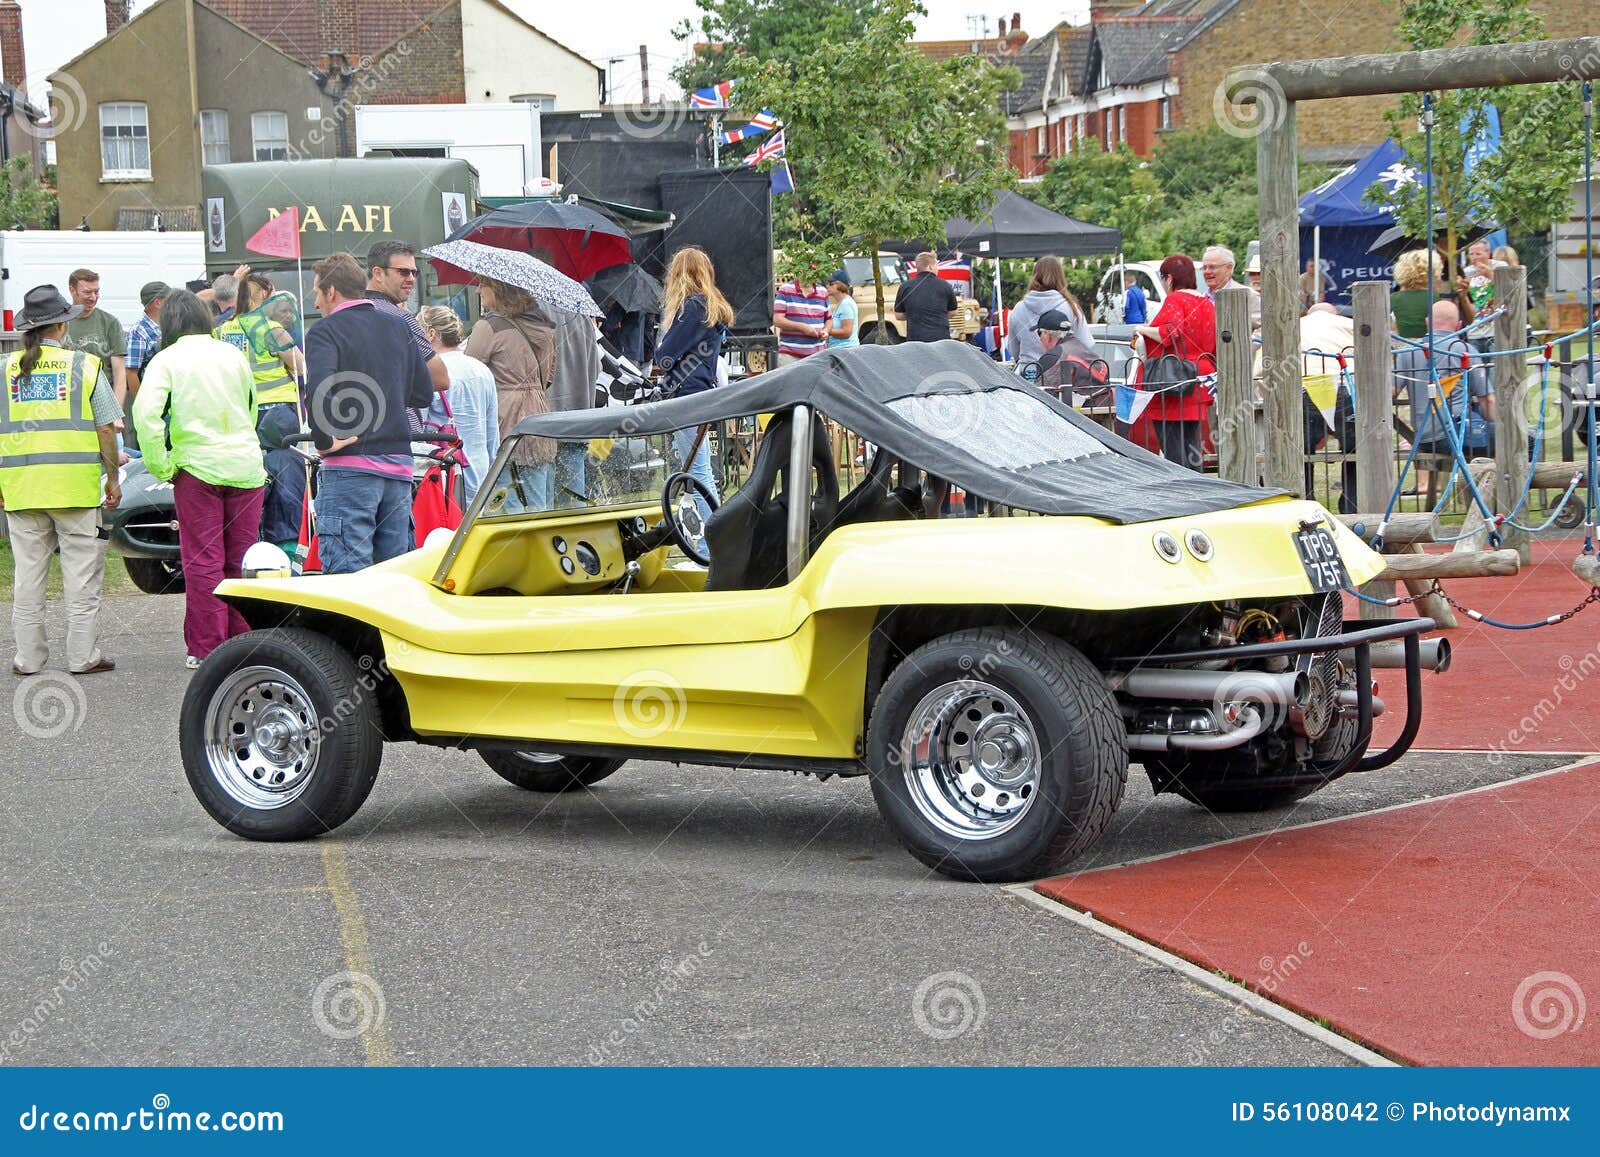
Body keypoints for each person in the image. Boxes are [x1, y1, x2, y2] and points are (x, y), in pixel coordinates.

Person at [131, 290, 266, 667]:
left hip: (197, 469)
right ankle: (243, 644)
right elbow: (251, 406)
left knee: (204, 561)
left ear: (169, 322)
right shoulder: (233, 354)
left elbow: (146, 415)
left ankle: (208, 649)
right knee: (240, 561)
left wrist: (162, 465)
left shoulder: (166, 359)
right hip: (245, 466)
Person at [2, 285, 123, 675]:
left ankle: (29, 659)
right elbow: (106, 429)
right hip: (75, 489)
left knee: (28, 578)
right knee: (81, 577)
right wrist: (113, 479)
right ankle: (82, 657)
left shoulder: (5, 368)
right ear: (62, 325)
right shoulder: (84, 365)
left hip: (22, 490)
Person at [303, 253, 435, 573]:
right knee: (394, 578)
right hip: (399, 468)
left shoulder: (324, 331)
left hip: (350, 469)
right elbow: (423, 393)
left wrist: (324, 441)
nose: (317, 301)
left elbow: (318, 393)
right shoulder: (397, 325)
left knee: (350, 580)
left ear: (331, 291)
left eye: (318, 293)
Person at [216, 269, 305, 551]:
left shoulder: (220, 331)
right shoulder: (269, 328)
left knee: (248, 479)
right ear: (262, 296)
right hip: (277, 413)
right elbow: (301, 365)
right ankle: (285, 546)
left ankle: (247, 541)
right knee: (285, 476)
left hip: (240, 415)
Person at [654, 245, 733, 527]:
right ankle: (715, 543)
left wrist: (663, 343)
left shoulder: (691, 307)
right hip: (700, 392)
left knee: (697, 474)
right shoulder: (710, 307)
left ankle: (709, 549)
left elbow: (664, 357)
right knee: (701, 472)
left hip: (685, 395)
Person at [465, 276, 558, 509]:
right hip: (539, 415)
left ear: (499, 289)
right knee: (538, 501)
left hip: (502, 417)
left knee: (503, 498)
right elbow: (549, 377)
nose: (477, 290)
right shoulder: (545, 326)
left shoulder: (489, 327)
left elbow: (470, 373)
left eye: (482, 284)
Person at [1395, 299, 1494, 496]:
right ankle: (1507, 496)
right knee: (1525, 439)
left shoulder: (1406, 352)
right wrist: (1495, 425)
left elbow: (1389, 393)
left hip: (1422, 438)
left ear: (1426, 322)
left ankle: (1480, 493)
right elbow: (1488, 401)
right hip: (1456, 436)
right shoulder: (1464, 350)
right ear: (1459, 326)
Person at [1131, 254, 1217, 472]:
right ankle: (1196, 491)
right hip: (1198, 380)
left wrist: (1142, 329)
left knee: (1173, 450)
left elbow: (1170, 332)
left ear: (1169, 278)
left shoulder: (1176, 300)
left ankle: (1183, 495)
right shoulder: (1207, 303)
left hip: (1171, 383)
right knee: (1192, 447)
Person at [417, 305, 500, 504]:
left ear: (431, 334)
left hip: (444, 469)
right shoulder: (481, 370)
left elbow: (419, 428)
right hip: (480, 468)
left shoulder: (432, 372)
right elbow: (492, 431)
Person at [366, 240, 451, 395]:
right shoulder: (402, 318)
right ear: (378, 273)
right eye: (403, 272)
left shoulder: (345, 316)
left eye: (415, 272)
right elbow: (440, 379)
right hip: (400, 415)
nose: (412, 279)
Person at [1007, 255, 1091, 365]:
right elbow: (1086, 345)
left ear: (1034, 276)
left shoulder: (1019, 309)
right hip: (1063, 375)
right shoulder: (1071, 308)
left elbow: (1013, 350)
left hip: (1028, 374)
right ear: (1060, 277)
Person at [64, 268, 129, 409]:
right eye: (87, 292)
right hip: (66, 404)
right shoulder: (59, 323)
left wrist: (116, 412)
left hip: (102, 403)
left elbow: (120, 374)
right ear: (72, 290)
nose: (93, 297)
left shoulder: (110, 323)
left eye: (96, 291)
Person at [122, 280, 169, 453]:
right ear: (158, 302)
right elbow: (131, 372)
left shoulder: (166, 326)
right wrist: (144, 405)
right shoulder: (139, 332)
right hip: (154, 404)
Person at [894, 251, 958, 342]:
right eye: (936, 265)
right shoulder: (945, 285)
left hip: (915, 340)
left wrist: (915, 315)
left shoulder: (905, 287)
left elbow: (898, 315)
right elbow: (954, 311)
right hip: (941, 339)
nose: (937, 269)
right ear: (930, 266)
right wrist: (938, 314)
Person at [774, 269, 828, 364]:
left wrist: (826, 331)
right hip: (791, 356)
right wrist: (802, 327)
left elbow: (829, 319)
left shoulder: (823, 291)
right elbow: (777, 320)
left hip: (818, 355)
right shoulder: (785, 289)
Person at [1201, 246, 1260, 330]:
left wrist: (1250, 342)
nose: (1207, 272)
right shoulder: (1200, 299)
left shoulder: (1248, 295)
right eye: (1204, 267)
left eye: (1212, 267)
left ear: (1229, 268)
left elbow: (1263, 328)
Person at [1463, 238, 1505, 316]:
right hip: (1476, 314)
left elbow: (1506, 289)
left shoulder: (1500, 266)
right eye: (1471, 254)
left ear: (1488, 254)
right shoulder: (1467, 272)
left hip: (1497, 311)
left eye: (1478, 254)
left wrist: (1490, 275)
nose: (1474, 257)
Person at [825, 270, 859, 348]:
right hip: (839, 349)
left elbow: (846, 332)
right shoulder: (842, 303)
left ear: (840, 285)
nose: (827, 286)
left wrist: (826, 330)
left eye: (831, 284)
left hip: (845, 350)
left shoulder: (846, 304)